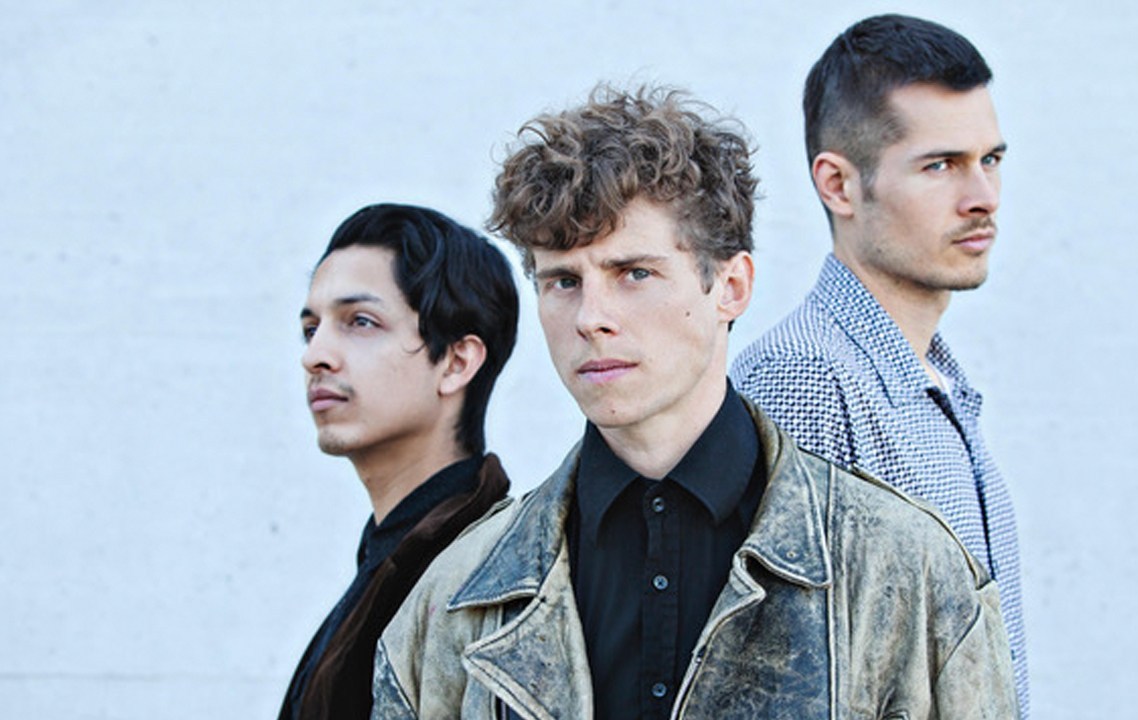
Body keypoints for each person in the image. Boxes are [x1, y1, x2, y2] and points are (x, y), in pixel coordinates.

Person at [372, 86, 1017, 719]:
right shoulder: (454, 600)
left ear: (730, 287)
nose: (591, 318)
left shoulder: (908, 571)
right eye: (563, 281)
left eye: (635, 273)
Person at [730, 13, 1029, 715]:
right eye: (940, 165)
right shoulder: (805, 378)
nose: (982, 197)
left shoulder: (936, 380)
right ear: (838, 184)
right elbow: (782, 681)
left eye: (990, 160)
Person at [278, 203, 519, 720]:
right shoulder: (397, 556)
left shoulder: (481, 582)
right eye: (311, 328)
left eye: (360, 322)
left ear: (455, 362)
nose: (315, 355)